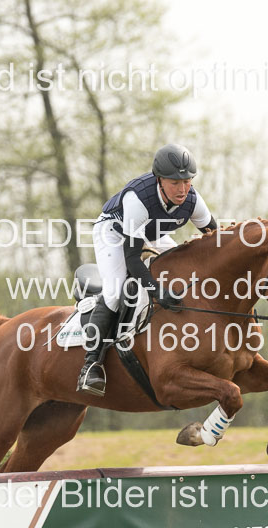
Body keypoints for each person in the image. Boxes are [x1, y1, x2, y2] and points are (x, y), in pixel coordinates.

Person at [76, 143, 218, 396]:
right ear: (159, 179)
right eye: (175, 183)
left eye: (187, 181)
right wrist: (157, 292)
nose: (182, 189)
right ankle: (91, 365)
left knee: (182, 268)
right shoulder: (138, 201)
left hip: (152, 233)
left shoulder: (193, 201)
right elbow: (133, 259)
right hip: (113, 232)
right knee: (115, 291)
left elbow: (215, 240)